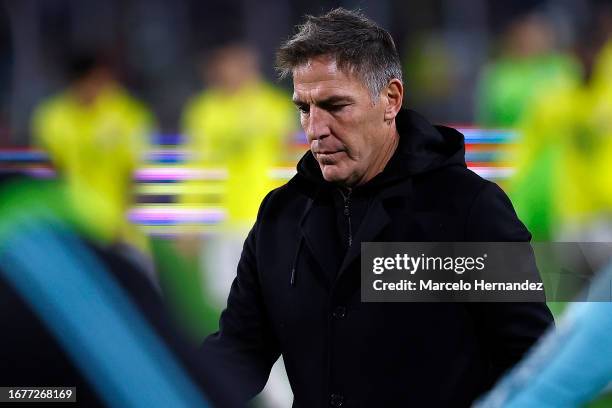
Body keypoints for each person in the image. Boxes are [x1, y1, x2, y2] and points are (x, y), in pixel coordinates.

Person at [201, 8, 553, 407]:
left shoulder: (468, 209)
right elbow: (237, 353)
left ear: (390, 99)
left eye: (336, 106)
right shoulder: (280, 217)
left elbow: (533, 365)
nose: (316, 129)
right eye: (305, 108)